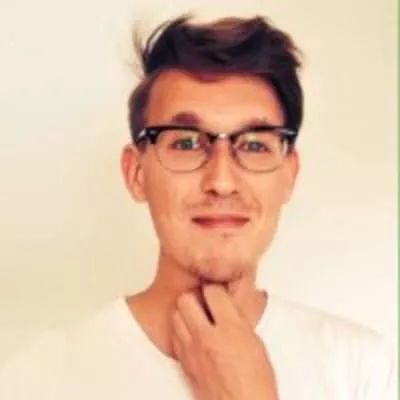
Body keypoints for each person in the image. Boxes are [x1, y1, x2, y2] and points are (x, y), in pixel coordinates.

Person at [0, 14, 395, 400]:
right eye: (187, 143)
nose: (221, 182)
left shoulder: (363, 370)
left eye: (254, 145)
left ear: (288, 175)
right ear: (136, 173)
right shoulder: (36, 379)